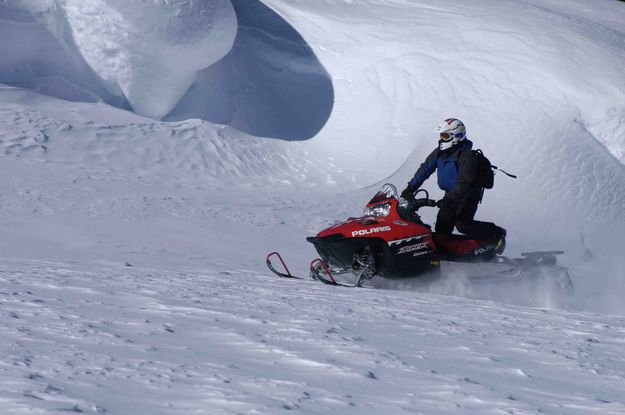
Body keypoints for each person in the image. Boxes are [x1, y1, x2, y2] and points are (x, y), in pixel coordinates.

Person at [401, 118, 504, 239]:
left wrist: (449, 200)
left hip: (468, 195)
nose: (441, 140)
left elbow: (465, 182)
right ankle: (447, 254)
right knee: (442, 225)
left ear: (457, 136)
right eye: (441, 136)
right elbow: (425, 169)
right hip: (451, 194)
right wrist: (410, 188)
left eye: (445, 136)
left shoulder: (467, 156)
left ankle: (496, 233)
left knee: (462, 224)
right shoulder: (439, 153)